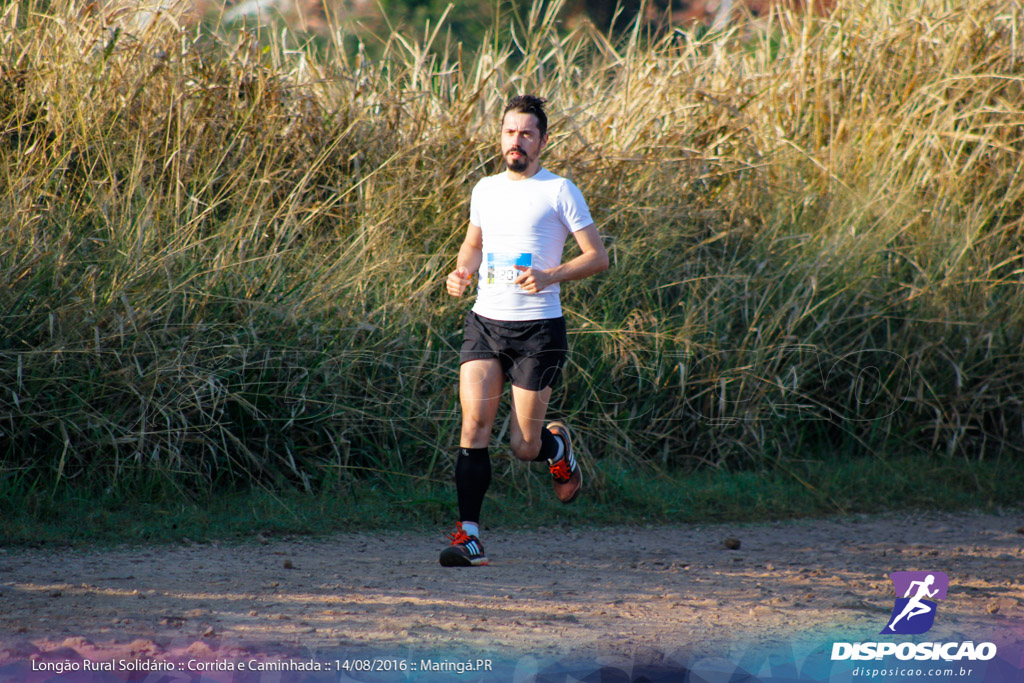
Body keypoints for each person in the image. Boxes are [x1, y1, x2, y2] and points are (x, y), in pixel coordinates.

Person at [440, 94, 610, 567]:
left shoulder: (560, 191)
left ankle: (555, 445)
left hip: (538, 331)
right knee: (473, 426)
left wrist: (551, 275)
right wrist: (461, 273)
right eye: (510, 132)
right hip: (485, 323)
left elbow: (598, 256)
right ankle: (468, 537)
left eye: (527, 134)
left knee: (522, 445)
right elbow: (472, 246)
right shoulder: (485, 189)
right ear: (501, 137)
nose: (517, 141)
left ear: (543, 141)